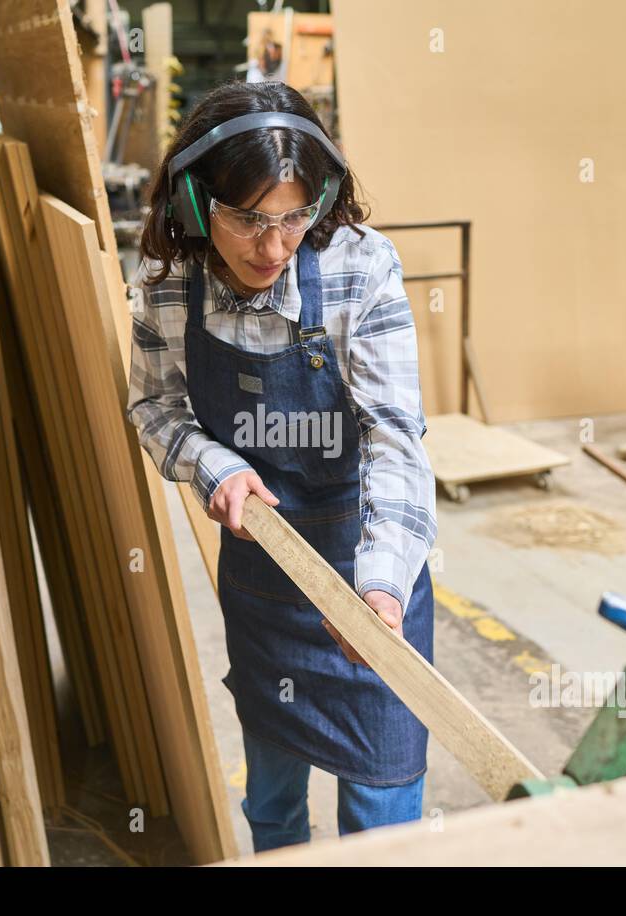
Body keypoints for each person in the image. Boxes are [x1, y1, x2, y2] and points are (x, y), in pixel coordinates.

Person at [126, 80, 436, 852]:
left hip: (367, 577)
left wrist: (382, 586)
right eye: (248, 220)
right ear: (198, 206)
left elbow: (396, 435)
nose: (273, 247)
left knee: (383, 821)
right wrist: (212, 465)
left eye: (294, 216)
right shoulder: (170, 285)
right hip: (265, 582)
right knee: (271, 807)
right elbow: (155, 408)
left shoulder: (361, 270)